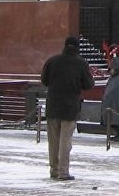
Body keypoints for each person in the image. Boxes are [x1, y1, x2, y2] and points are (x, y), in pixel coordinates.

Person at [40, 36, 95, 181]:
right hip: (70, 107)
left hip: (53, 106)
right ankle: (63, 172)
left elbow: (44, 80)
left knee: (53, 141)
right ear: (77, 48)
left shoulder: (52, 61)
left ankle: (54, 170)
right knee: (65, 142)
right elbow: (88, 84)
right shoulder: (81, 63)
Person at [100, 56, 119, 142]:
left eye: (112, 69)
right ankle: (117, 134)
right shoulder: (114, 77)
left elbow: (118, 89)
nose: (111, 71)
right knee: (111, 118)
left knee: (118, 118)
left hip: (118, 103)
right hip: (111, 103)